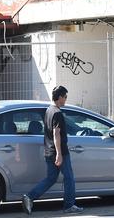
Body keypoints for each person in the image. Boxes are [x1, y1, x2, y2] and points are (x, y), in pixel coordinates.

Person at [22, 86, 83, 214]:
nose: (66, 99)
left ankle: (29, 197)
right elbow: (56, 133)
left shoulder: (49, 110)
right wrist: (59, 154)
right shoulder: (57, 113)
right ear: (60, 97)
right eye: (65, 97)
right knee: (69, 178)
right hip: (59, 152)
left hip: (49, 151)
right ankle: (69, 206)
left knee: (51, 179)